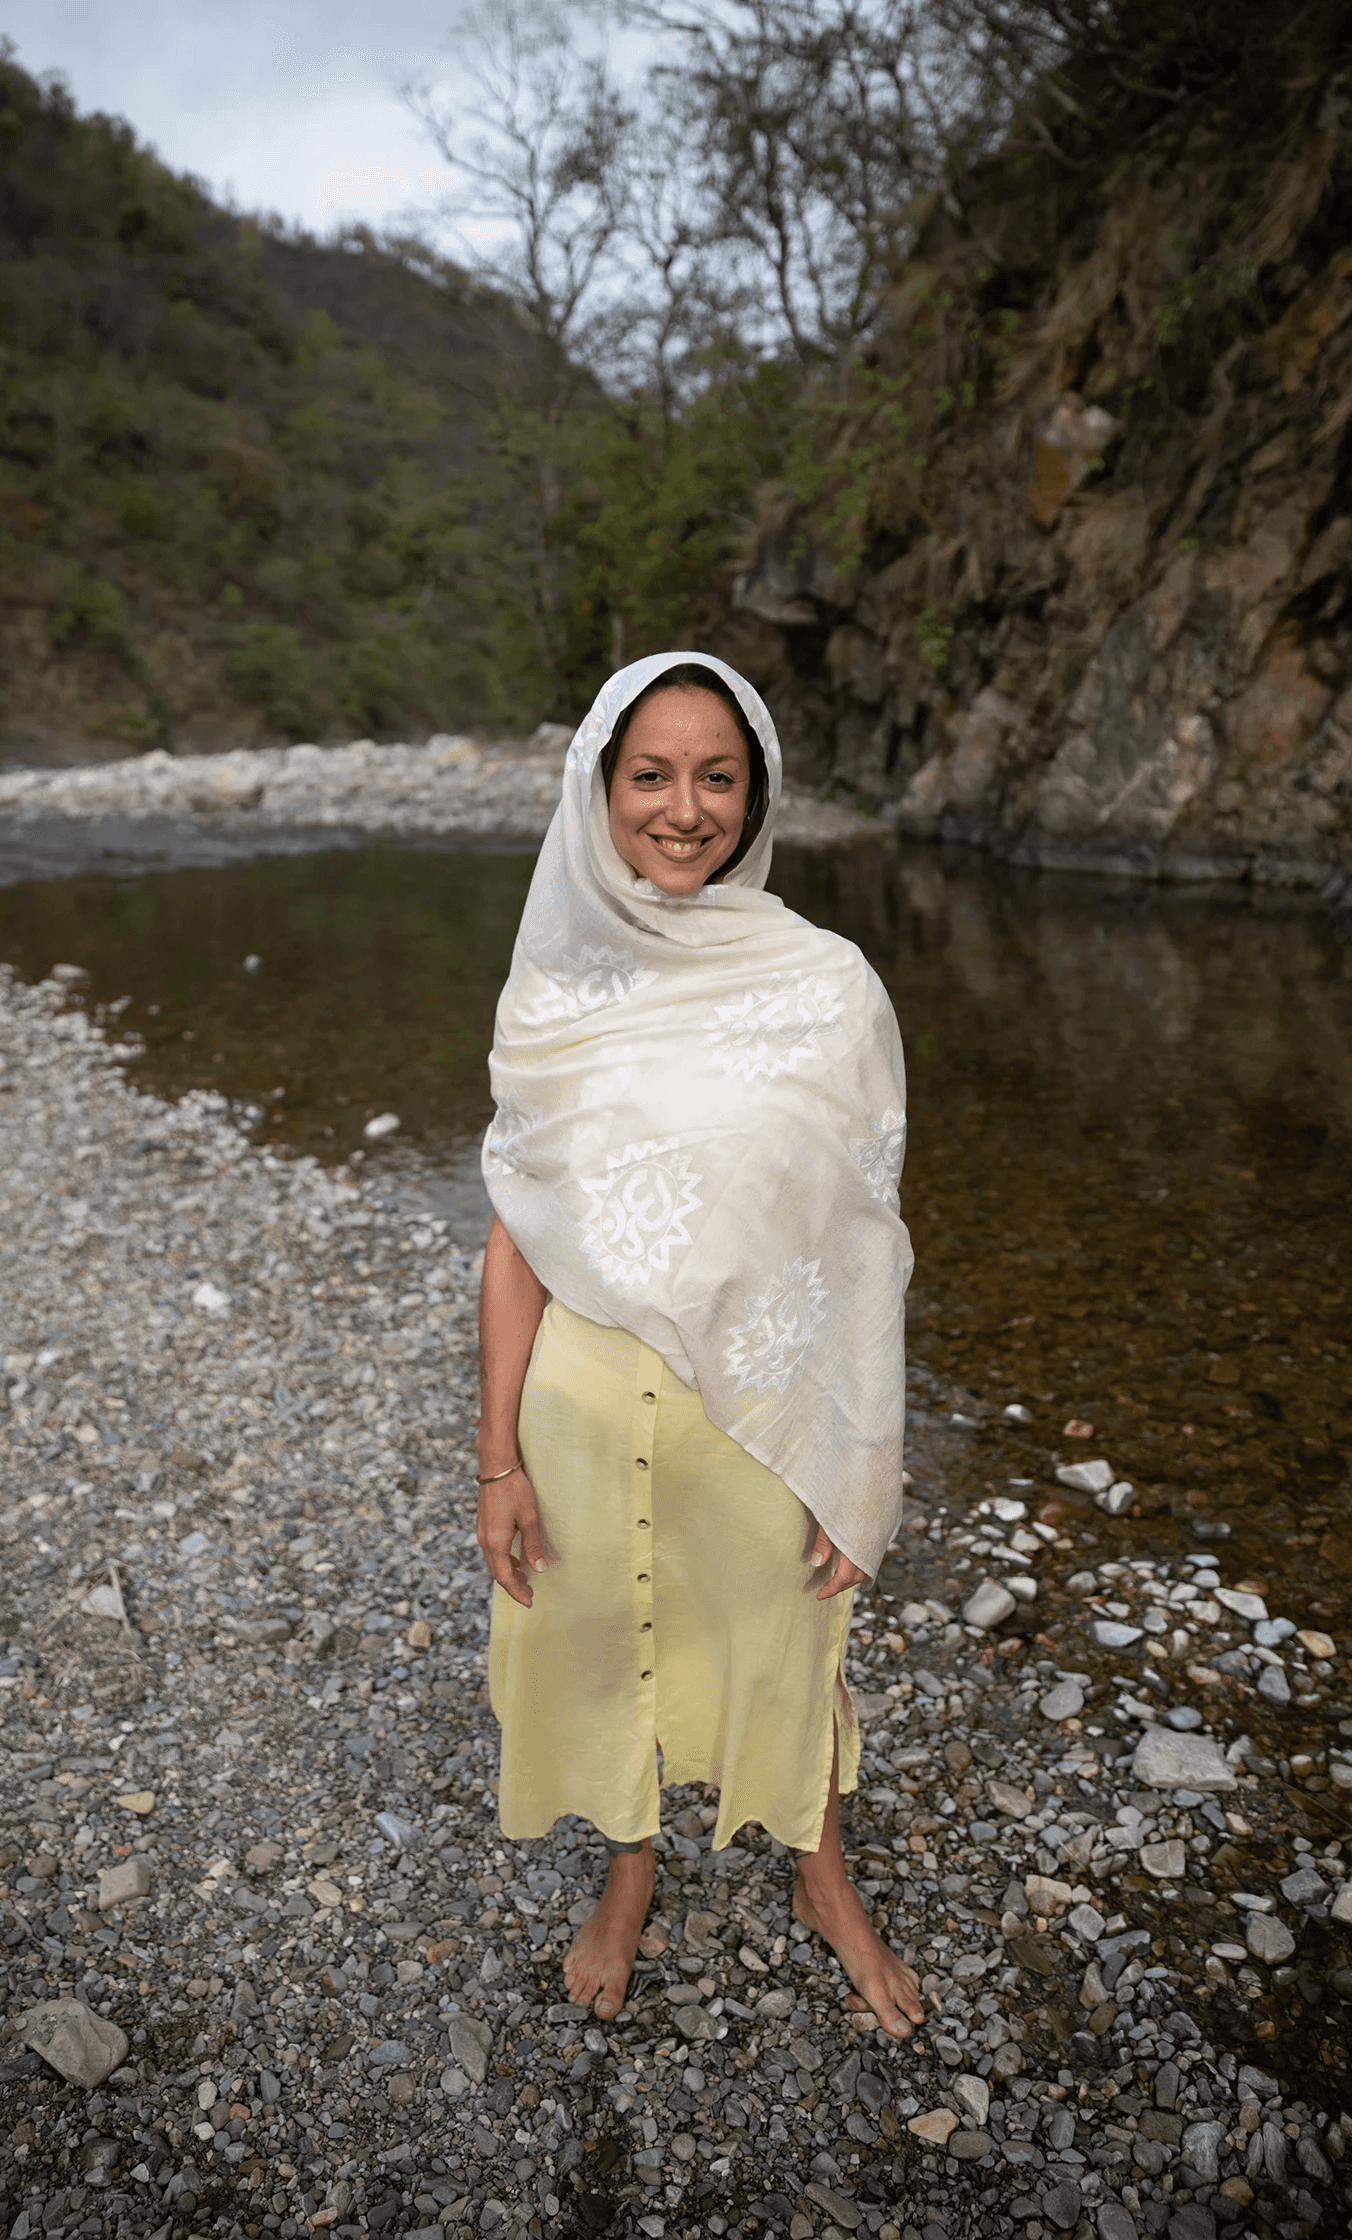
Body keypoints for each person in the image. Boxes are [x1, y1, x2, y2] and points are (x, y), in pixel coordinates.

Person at [476, 652, 922, 2039]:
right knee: (604, 1645)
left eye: (716, 776)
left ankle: (822, 1877)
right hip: (585, 1408)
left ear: (758, 790)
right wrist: (497, 1458)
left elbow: (862, 1243)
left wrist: (860, 1459)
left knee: (793, 1640)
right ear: (599, 790)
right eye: (651, 775)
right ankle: (629, 1875)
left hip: (763, 1417)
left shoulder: (827, 986)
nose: (685, 808)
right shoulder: (557, 991)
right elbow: (517, 1237)